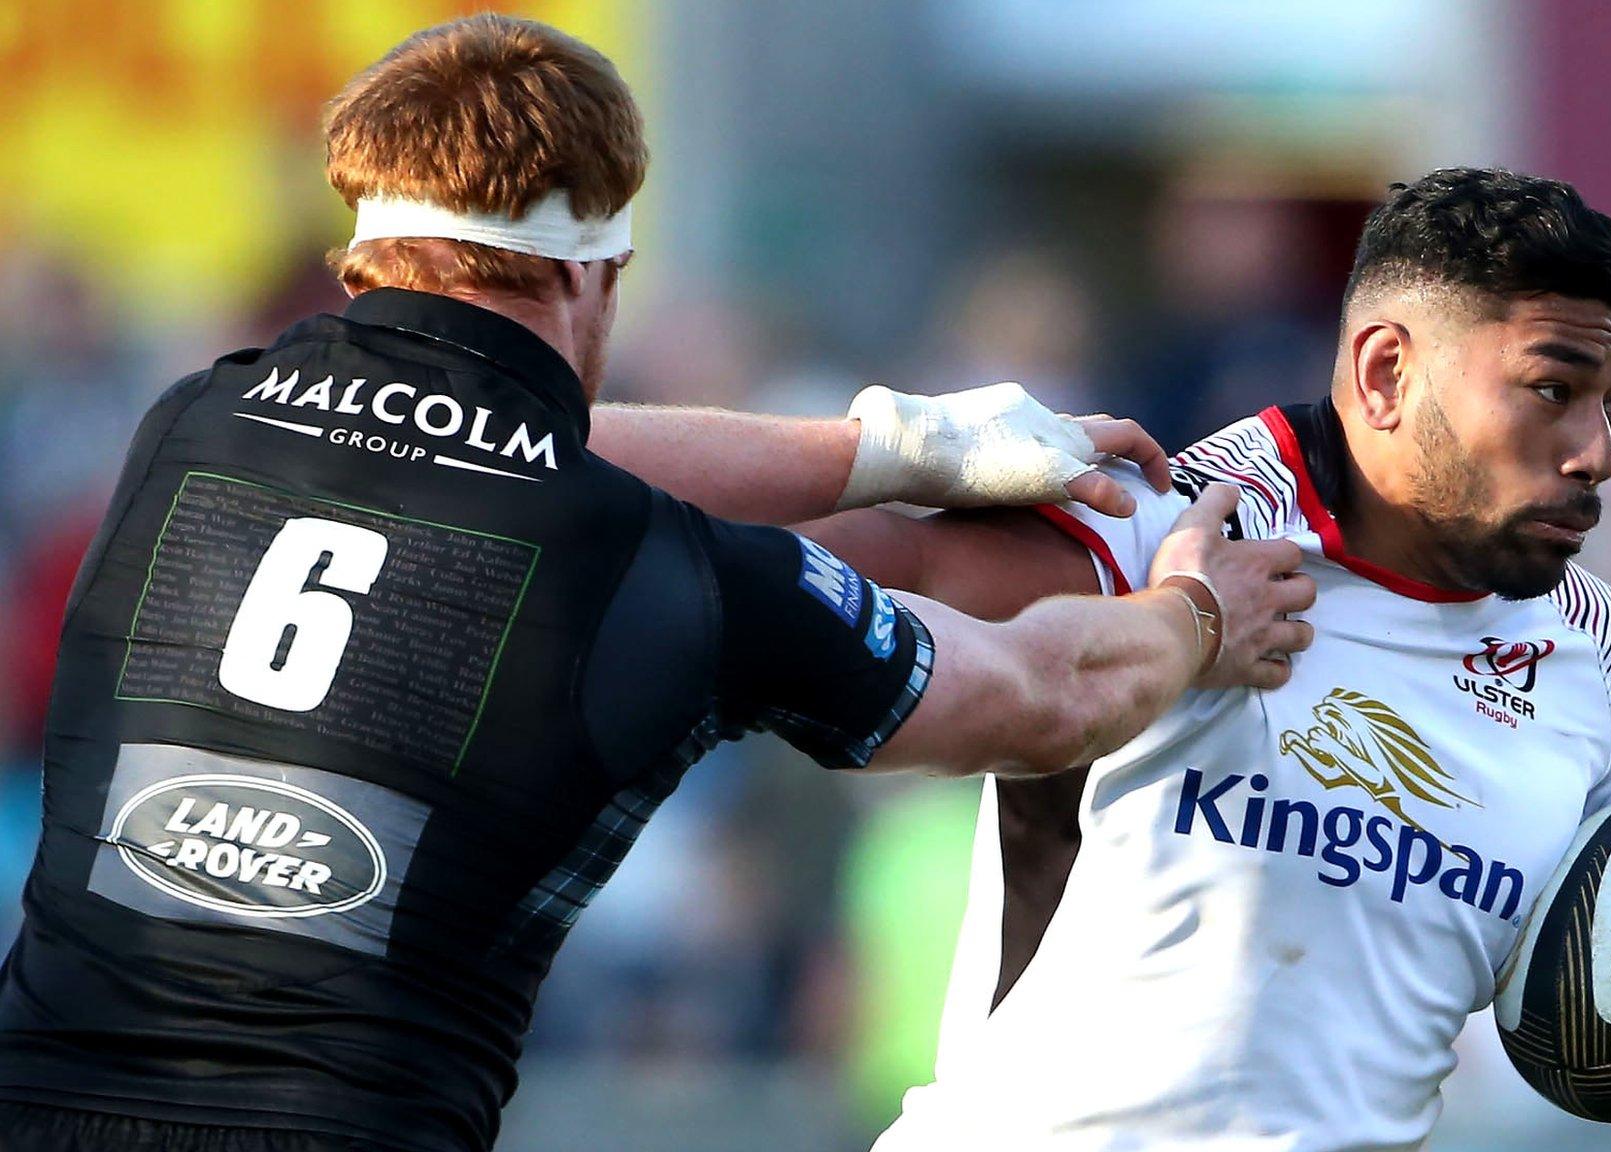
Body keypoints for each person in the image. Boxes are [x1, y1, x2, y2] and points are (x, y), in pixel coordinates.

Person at [0, 16, 1316, 1152]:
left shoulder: (196, 421)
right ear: (591, 274)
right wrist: (1198, 614)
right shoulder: (678, 573)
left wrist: (896, 446)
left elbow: (520, 443)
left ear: (364, 259)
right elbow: (1039, 693)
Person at [757, 169, 1611, 1150]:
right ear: (1384, 371)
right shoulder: (1166, 530)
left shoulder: (1598, 658)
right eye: (1550, 391)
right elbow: (767, 582)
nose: (1598, 454)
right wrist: (882, 450)